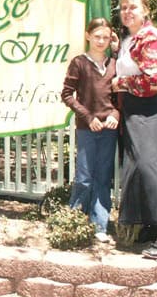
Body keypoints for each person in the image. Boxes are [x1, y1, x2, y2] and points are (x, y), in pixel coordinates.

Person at [112, 0, 157, 259]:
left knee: (149, 166)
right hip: (134, 108)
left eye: (133, 7)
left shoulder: (150, 37)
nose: (127, 12)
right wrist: (121, 49)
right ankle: (153, 226)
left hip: (147, 108)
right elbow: (135, 64)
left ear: (145, 11)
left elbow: (155, 80)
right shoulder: (133, 39)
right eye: (123, 8)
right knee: (138, 167)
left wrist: (122, 83)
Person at [61, 17, 119, 243]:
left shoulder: (115, 64)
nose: (101, 41)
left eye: (106, 37)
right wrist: (87, 117)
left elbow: (119, 97)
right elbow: (67, 94)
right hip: (87, 127)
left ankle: (100, 225)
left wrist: (115, 114)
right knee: (84, 176)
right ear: (88, 36)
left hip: (109, 129)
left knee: (103, 177)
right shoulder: (79, 63)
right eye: (97, 36)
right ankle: (73, 222)